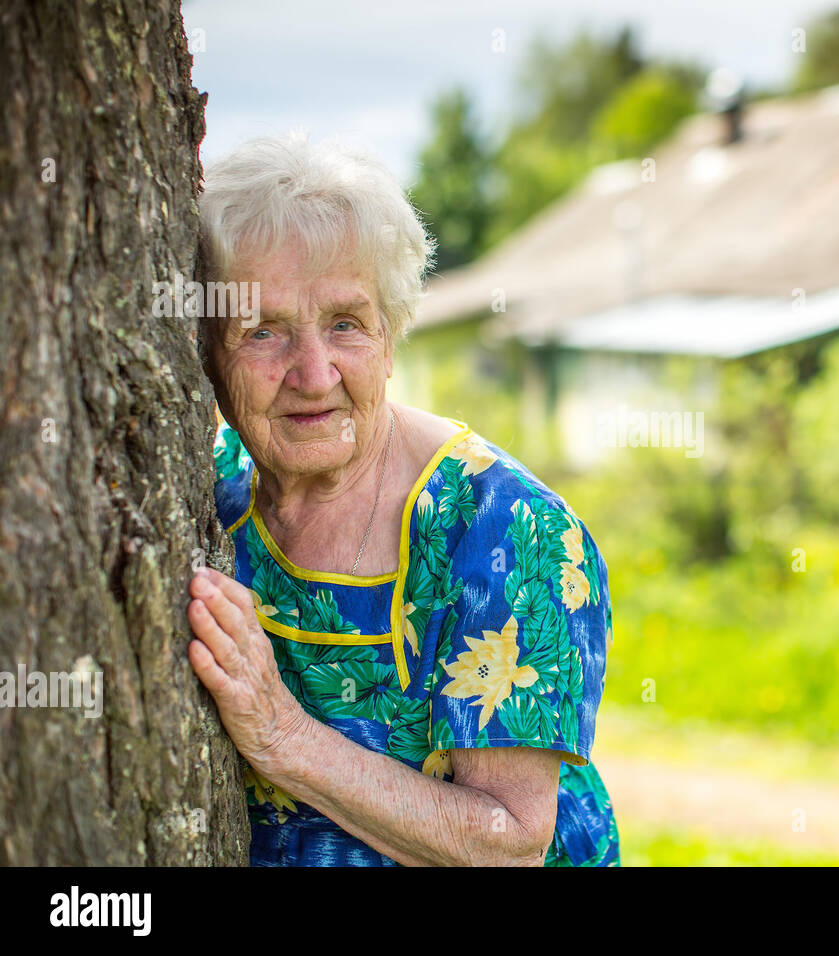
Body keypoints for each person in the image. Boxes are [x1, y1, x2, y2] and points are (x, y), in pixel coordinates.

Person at [187, 133, 618, 866]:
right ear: (203, 355)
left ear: (391, 337)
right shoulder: (208, 497)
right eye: (264, 332)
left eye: (346, 324)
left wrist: (283, 737)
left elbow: (508, 842)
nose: (314, 374)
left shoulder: (507, 528)